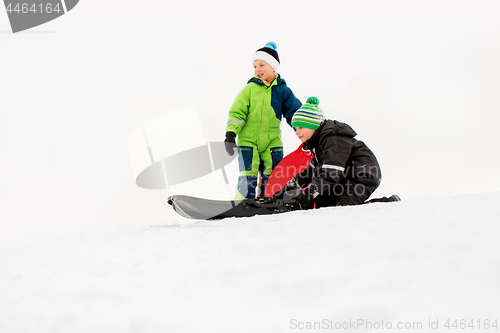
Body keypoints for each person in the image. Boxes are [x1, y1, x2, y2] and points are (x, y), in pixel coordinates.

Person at [273, 96, 400, 209]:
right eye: (295, 128)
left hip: (362, 175)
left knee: (343, 208)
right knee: (324, 205)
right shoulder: (318, 146)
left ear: (314, 125)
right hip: (344, 176)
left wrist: (307, 195)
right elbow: (308, 174)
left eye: (301, 127)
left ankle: (388, 203)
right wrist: (283, 192)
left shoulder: (333, 140)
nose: (296, 132)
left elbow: (330, 174)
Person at [224, 42, 302, 200]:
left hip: (272, 142)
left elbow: (295, 113)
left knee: (274, 173)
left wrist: (305, 130)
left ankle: (270, 199)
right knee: (248, 175)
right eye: (254, 66)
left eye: (262, 65)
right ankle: (244, 202)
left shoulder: (283, 91)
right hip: (248, 141)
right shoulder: (249, 90)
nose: (257, 69)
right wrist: (231, 134)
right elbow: (237, 113)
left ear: (274, 67)